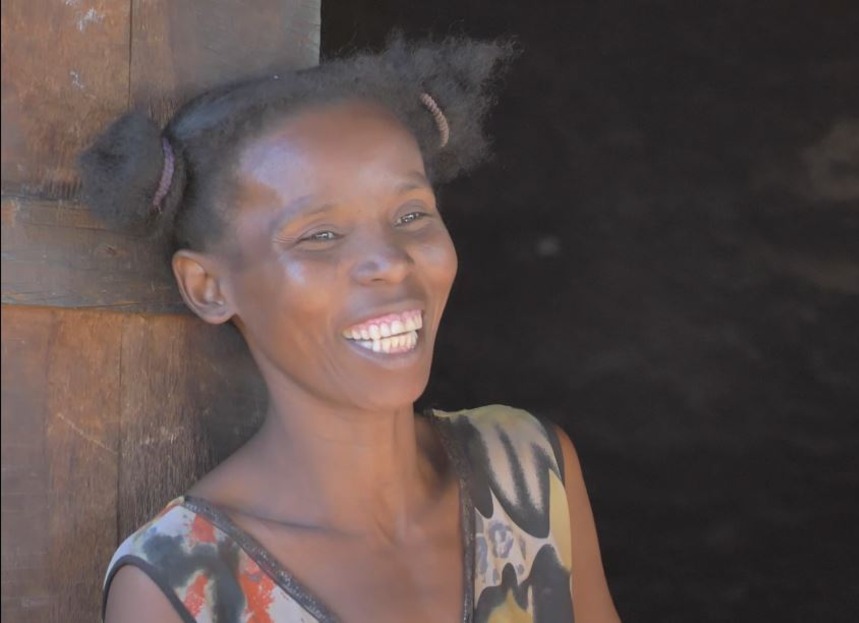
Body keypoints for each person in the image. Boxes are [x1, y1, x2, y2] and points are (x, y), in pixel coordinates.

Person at [81, 37, 620, 623]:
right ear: (209, 287)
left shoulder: (530, 474)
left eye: (412, 215)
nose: (390, 260)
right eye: (321, 235)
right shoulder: (182, 587)